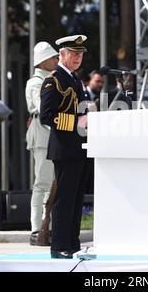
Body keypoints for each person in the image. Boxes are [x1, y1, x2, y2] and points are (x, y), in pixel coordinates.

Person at [40, 34, 89, 259]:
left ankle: (72, 243)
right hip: (64, 147)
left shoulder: (74, 79)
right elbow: (46, 116)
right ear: (62, 54)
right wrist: (76, 122)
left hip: (79, 146)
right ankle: (60, 245)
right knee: (65, 199)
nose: (78, 57)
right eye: (74, 53)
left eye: (80, 54)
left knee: (76, 199)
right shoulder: (54, 80)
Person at [25, 41, 59, 245]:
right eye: (53, 57)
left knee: (53, 184)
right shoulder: (36, 82)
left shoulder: (53, 79)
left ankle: (50, 226)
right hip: (43, 134)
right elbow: (43, 107)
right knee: (42, 182)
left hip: (54, 134)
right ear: (44, 60)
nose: (56, 60)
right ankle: (37, 228)